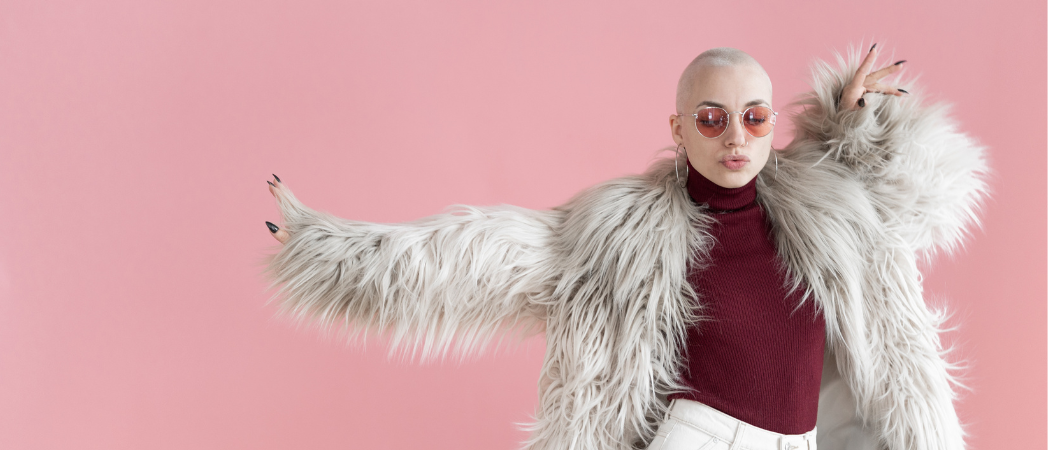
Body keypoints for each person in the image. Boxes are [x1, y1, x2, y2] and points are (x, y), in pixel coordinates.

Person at [261, 44, 988, 450]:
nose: (736, 137)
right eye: (712, 119)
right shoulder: (621, 233)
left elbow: (917, 204)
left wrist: (859, 126)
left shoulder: (828, 212)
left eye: (755, 117)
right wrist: (330, 251)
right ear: (679, 129)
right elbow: (472, 258)